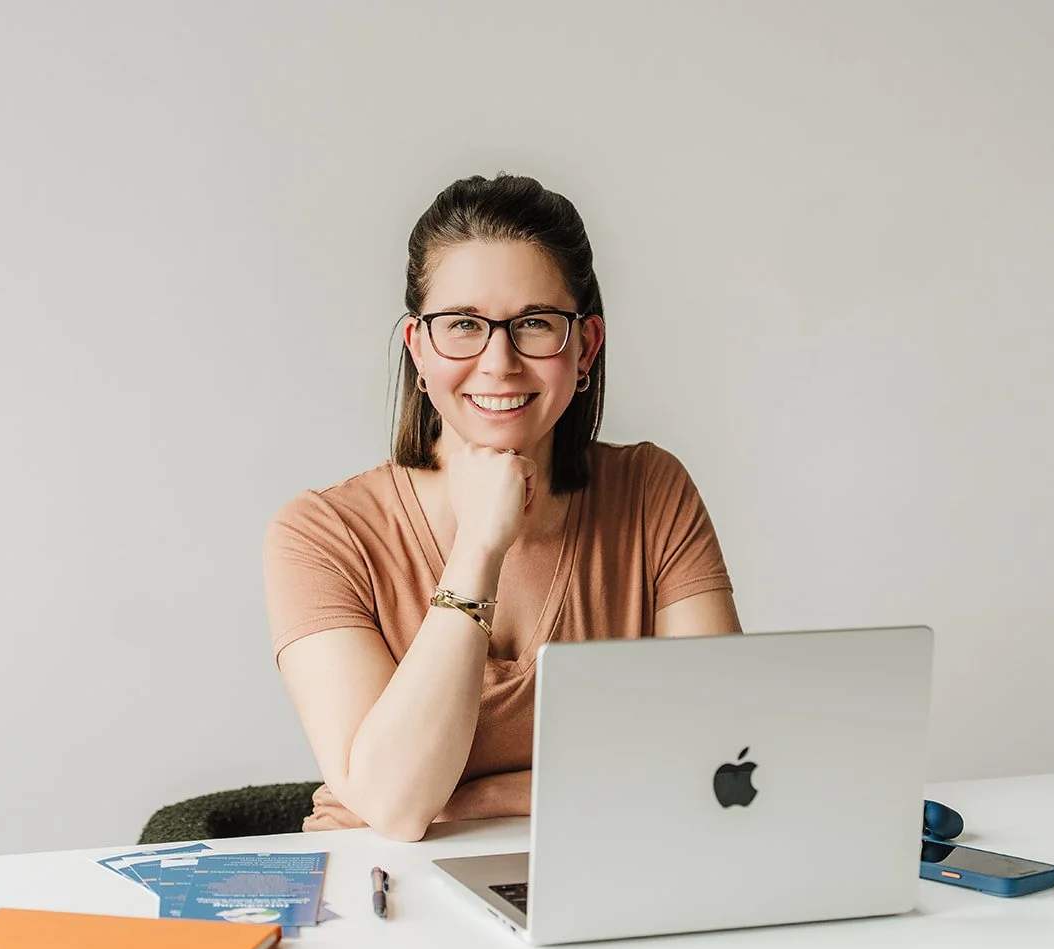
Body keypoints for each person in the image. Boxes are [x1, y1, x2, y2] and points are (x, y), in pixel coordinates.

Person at [262, 173, 741, 841]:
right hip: (383, 892)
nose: (500, 361)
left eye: (536, 324)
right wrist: (478, 547)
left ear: (586, 349)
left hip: (604, 863)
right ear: (419, 350)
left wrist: (471, 800)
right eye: (463, 325)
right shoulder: (321, 533)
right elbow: (397, 807)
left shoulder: (650, 492)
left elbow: (720, 754)